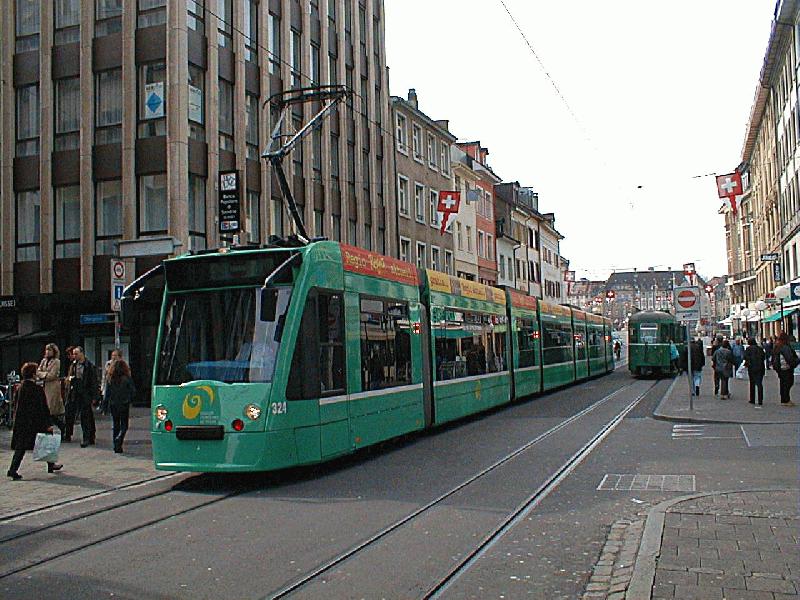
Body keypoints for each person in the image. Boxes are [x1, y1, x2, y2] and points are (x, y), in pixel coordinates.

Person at [7, 363, 63, 480]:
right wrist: (47, 424)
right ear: (33, 374)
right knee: (46, 442)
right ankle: (50, 464)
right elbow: (42, 408)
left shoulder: (21, 388)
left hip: (23, 422)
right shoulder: (37, 389)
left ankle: (13, 469)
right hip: (35, 422)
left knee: (21, 448)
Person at [66, 347, 98, 447]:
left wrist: (94, 396)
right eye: (74, 354)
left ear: (82, 354)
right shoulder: (74, 365)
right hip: (76, 392)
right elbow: (70, 377)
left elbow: (93, 382)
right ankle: (89, 435)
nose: (74, 356)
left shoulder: (89, 366)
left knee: (86, 416)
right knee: (81, 415)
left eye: (76, 354)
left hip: (86, 393)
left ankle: (87, 437)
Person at [102, 359, 136, 453]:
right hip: (124, 404)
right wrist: (129, 399)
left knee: (115, 424)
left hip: (113, 404)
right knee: (124, 425)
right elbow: (133, 391)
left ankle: (116, 445)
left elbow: (107, 394)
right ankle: (120, 438)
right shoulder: (127, 378)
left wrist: (104, 406)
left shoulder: (110, 379)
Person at [37, 343, 65, 431]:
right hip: (43, 386)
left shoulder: (56, 362)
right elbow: (37, 371)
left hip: (52, 387)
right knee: (45, 409)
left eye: (49, 350)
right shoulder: (43, 361)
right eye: (46, 350)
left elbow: (52, 375)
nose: (47, 352)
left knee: (51, 410)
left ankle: (61, 426)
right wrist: (44, 375)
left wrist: (43, 375)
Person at [773, 332, 799, 407]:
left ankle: (784, 399)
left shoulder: (778, 346)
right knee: (788, 383)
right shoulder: (785, 347)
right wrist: (796, 361)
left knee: (783, 383)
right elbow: (789, 359)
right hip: (786, 368)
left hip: (780, 368)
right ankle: (786, 399)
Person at [743, 336, 766, 407]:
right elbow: (764, 357)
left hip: (752, 368)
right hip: (760, 368)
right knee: (759, 384)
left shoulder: (748, 349)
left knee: (752, 383)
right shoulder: (760, 349)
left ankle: (752, 399)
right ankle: (760, 400)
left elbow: (745, 357)